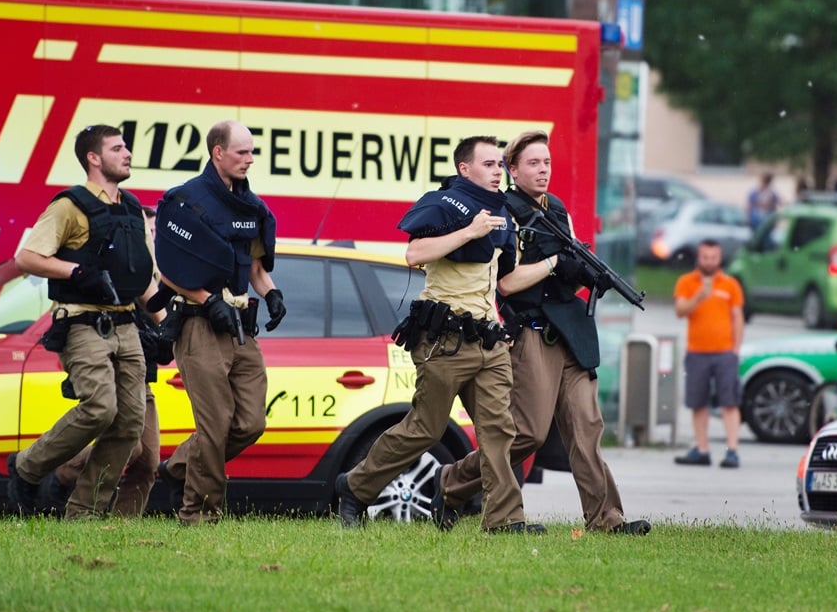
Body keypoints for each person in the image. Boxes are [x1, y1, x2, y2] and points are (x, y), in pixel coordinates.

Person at [432, 131, 650, 535]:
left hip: (571, 333)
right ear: (512, 170)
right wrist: (554, 263)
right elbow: (508, 283)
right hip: (532, 332)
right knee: (527, 432)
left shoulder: (558, 210)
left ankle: (607, 519)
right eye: (533, 163)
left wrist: (584, 274)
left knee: (586, 430)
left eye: (547, 162)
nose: (543, 170)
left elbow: (567, 266)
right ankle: (451, 482)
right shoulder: (505, 212)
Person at [336, 136, 540, 534]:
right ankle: (356, 487)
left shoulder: (504, 215)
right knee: (425, 429)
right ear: (465, 168)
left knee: (499, 430)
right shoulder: (443, 203)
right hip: (445, 341)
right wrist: (469, 231)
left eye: (500, 164)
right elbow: (414, 254)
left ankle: (504, 519)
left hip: (489, 340)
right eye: (488, 164)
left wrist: (552, 264)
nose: (498, 171)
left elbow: (505, 280)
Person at [7, 124, 159, 519]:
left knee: (128, 425)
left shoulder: (131, 209)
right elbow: (27, 258)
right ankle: (27, 467)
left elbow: (140, 279)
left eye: (126, 147)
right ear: (93, 158)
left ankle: (84, 513)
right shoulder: (69, 206)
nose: (127, 153)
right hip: (82, 323)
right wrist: (75, 272)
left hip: (127, 326)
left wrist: (163, 322)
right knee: (100, 408)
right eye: (117, 148)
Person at [152, 120, 287, 526]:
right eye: (241, 152)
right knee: (215, 425)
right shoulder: (184, 201)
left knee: (250, 422)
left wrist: (271, 293)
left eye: (251, 152)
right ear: (217, 152)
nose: (249, 159)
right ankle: (199, 514)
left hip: (241, 327)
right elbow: (169, 269)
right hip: (199, 326)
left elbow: (255, 266)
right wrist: (207, 300)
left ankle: (177, 468)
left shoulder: (250, 206)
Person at [40, 207, 166, 516]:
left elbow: (160, 315)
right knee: (130, 447)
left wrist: (166, 334)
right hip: (115, 366)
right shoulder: (121, 269)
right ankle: (59, 475)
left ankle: (121, 527)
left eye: (152, 233)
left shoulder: (159, 276)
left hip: (143, 372)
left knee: (148, 461)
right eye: (144, 232)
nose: (148, 238)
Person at [673, 240, 745, 468]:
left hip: (724, 352)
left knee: (729, 402)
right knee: (698, 402)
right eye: (705, 257)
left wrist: (735, 348)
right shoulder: (687, 282)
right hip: (697, 351)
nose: (709, 262)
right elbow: (680, 311)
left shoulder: (730, 284)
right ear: (699, 258)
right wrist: (699, 297)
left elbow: (737, 317)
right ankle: (702, 449)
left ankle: (732, 450)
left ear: (719, 258)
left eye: (714, 258)